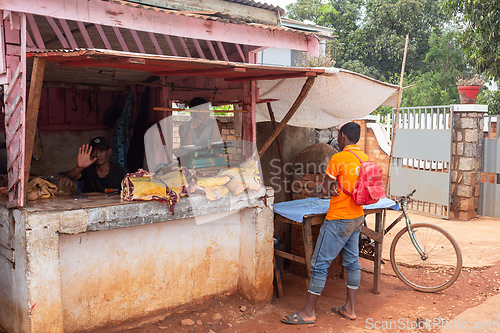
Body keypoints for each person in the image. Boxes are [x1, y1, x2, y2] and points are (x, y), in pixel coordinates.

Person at [281, 122, 368, 325]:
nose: (338, 139)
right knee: (352, 263)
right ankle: (349, 308)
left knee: (319, 264)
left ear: (343, 136)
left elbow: (324, 190)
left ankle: (308, 312)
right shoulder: (364, 158)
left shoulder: (338, 158)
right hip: (357, 217)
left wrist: (329, 190)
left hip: (338, 219)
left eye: (339, 136)